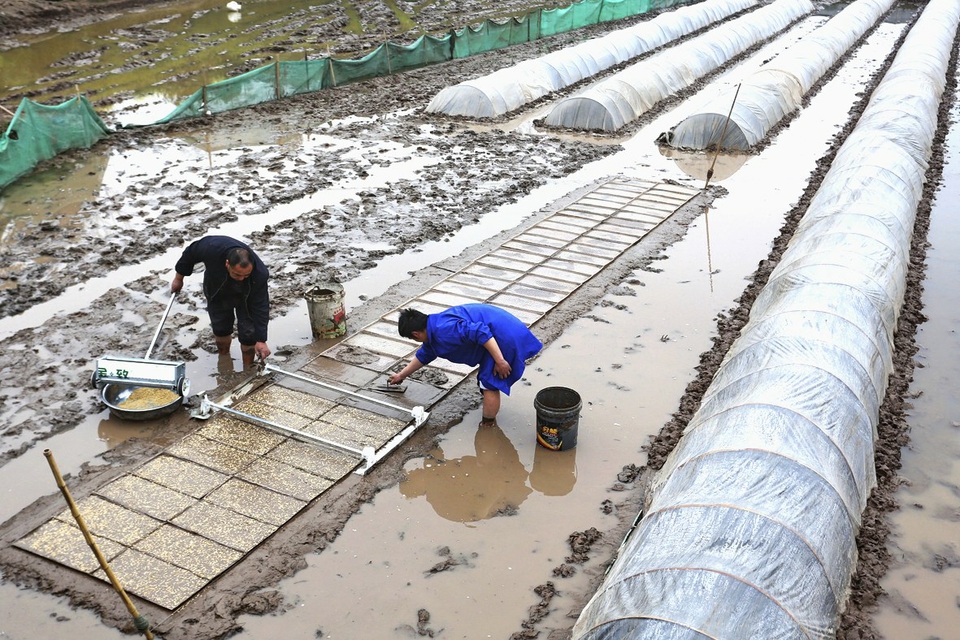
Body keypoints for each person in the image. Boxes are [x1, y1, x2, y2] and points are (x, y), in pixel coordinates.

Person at [388, 304, 542, 427]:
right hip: (498, 330)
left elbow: (482, 333)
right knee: (487, 381)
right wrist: (401, 375)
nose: (417, 342)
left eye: (413, 339)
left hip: (503, 336)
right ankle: (489, 417)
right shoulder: (434, 327)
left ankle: (488, 427)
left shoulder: (445, 329)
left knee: (490, 383)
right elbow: (424, 355)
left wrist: (500, 360)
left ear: (415, 334)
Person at [171, 235, 271, 368]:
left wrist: (261, 339)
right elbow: (190, 254)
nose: (241, 278)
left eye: (245, 275)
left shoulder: (259, 274)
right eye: (237, 274)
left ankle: (248, 369)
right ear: (227, 263)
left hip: (247, 293)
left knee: (249, 333)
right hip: (217, 285)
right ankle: (224, 359)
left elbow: (260, 307)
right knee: (221, 327)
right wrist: (179, 278)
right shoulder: (212, 247)